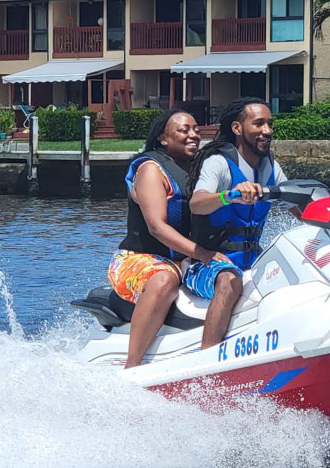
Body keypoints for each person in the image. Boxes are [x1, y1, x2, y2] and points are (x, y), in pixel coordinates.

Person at [108, 108, 238, 368]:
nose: (193, 135)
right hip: (140, 259)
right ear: (163, 139)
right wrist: (202, 253)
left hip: (185, 262)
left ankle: (213, 356)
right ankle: (132, 367)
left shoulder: (201, 171)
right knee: (164, 279)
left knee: (233, 275)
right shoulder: (151, 170)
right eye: (183, 130)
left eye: (196, 130)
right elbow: (157, 227)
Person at [186, 97, 288, 349]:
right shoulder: (218, 163)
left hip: (253, 260)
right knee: (229, 280)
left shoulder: (271, 167)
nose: (267, 131)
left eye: (270, 124)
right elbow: (197, 203)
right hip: (206, 264)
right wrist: (228, 195)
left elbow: (298, 207)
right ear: (237, 128)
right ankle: (206, 359)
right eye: (259, 124)